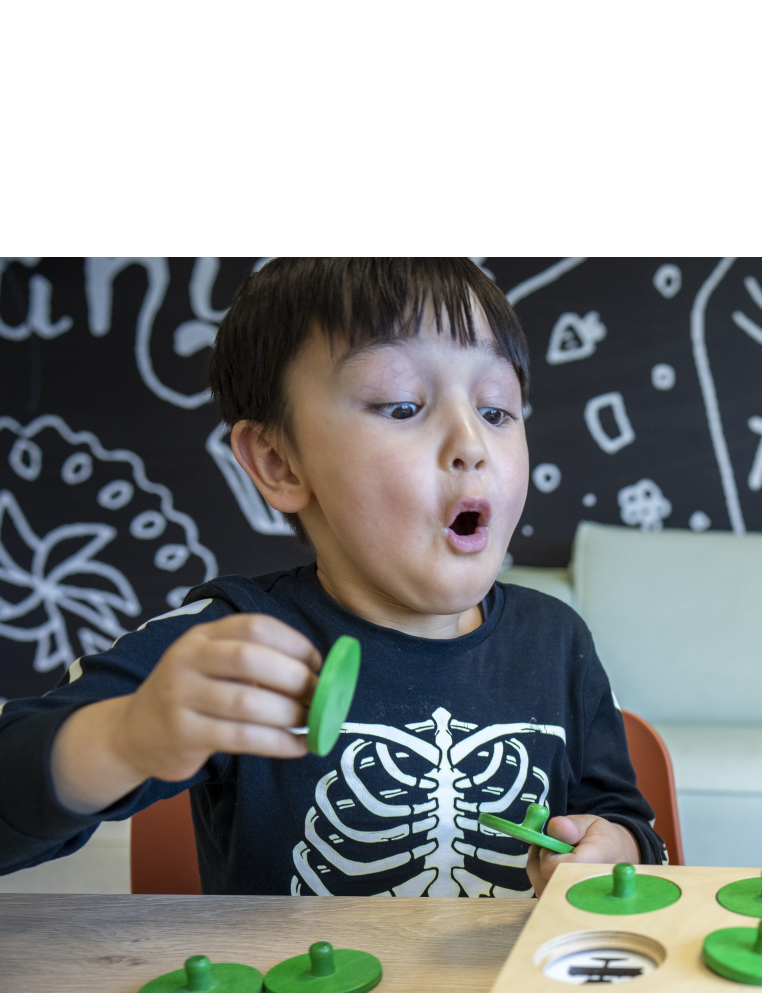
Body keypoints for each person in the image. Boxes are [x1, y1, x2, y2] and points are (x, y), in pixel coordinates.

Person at [0, 259, 660, 896]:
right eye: (402, 405)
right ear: (279, 462)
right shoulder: (234, 645)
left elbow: (628, 826)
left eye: (496, 410)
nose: (472, 444)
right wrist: (125, 737)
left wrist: (615, 850)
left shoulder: (557, 642)